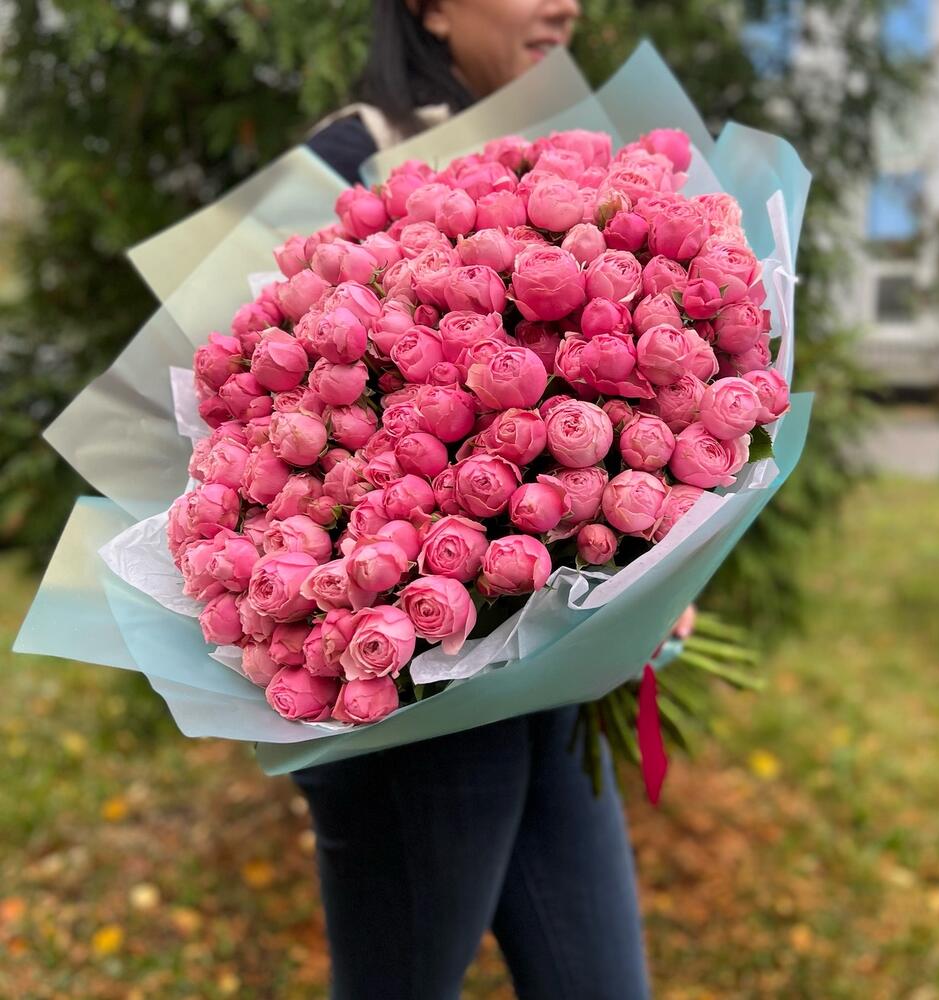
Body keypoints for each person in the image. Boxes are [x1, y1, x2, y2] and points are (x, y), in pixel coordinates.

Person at [292, 3, 652, 998]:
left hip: (551, 693)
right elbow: (286, 418)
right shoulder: (351, 158)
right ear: (433, 8)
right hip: (411, 720)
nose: (564, 3)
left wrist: (649, 559)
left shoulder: (566, 163)